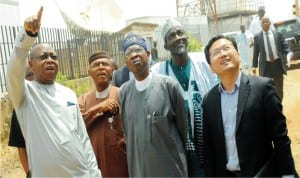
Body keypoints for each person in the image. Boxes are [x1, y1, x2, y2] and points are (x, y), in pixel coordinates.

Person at [6, 7, 100, 177]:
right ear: (30, 64)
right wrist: (27, 36)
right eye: (43, 57)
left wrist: (94, 173)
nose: (49, 60)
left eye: (53, 57)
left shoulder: (68, 94)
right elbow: (13, 70)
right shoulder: (25, 95)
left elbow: (83, 138)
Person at [202, 34, 298, 177]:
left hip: (262, 173)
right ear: (211, 67)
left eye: (226, 48)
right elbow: (209, 151)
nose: (223, 54)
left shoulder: (263, 88)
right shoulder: (209, 101)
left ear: (238, 55)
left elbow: (280, 138)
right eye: (216, 53)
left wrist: (288, 174)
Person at [151, 18, 218, 177]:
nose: (177, 38)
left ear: (186, 38)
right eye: (171, 36)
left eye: (180, 33)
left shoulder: (204, 63)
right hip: (181, 145)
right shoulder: (159, 72)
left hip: (209, 140)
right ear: (166, 45)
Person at [119, 33, 188, 177]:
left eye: (138, 50)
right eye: (129, 53)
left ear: (148, 54)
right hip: (139, 171)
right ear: (126, 62)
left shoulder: (168, 86)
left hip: (170, 170)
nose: (134, 55)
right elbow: (128, 132)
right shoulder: (124, 92)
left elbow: (182, 129)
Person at [78, 51, 128, 177]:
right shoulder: (83, 100)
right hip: (94, 164)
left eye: (105, 64)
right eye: (96, 65)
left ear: (112, 70)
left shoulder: (122, 94)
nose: (101, 67)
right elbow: (76, 125)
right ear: (89, 72)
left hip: (121, 164)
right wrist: (99, 108)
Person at [252, 15, 288, 101]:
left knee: (279, 88)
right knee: (266, 87)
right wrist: (254, 66)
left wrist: (289, 52)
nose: (265, 23)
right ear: (261, 24)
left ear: (270, 23)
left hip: (277, 64)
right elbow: (256, 52)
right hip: (266, 66)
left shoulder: (277, 34)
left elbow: (284, 45)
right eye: (263, 22)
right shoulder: (257, 37)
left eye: (266, 22)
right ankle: (270, 106)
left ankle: (278, 106)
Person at [8, 67, 34, 175]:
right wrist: (30, 174)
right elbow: (21, 148)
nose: (33, 78)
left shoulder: (53, 101)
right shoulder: (20, 110)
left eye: (34, 74)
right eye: (29, 75)